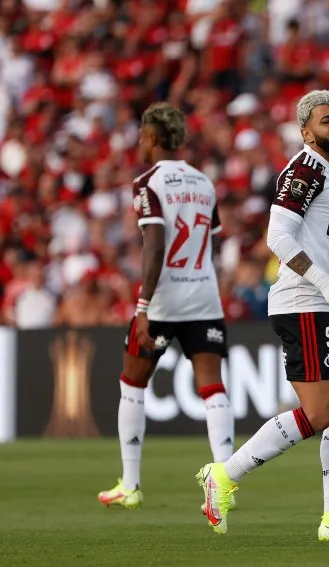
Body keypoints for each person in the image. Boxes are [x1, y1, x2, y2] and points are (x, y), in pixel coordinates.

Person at [196, 90, 329, 542]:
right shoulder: (305, 168)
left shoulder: (328, 173)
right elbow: (277, 237)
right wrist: (326, 285)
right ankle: (224, 475)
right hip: (302, 304)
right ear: (307, 132)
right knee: (321, 411)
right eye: (328, 120)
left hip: (318, 302)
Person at [98, 103, 234, 509]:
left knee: (132, 383)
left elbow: (154, 245)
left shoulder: (147, 182)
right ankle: (224, 479)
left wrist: (142, 306)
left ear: (153, 138)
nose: (139, 142)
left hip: (162, 303)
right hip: (204, 297)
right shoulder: (204, 183)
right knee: (213, 387)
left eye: (141, 135)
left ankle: (131, 484)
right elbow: (213, 238)